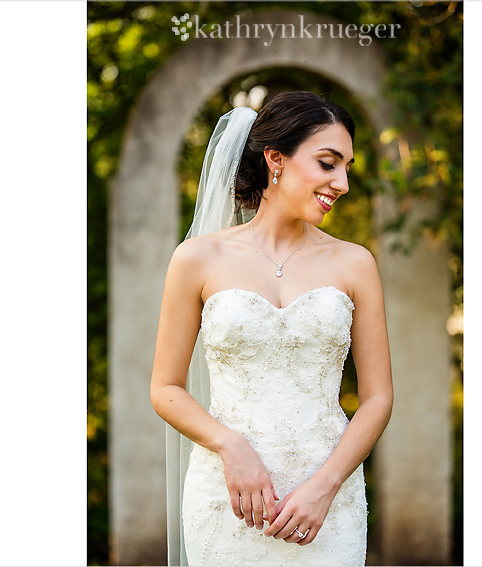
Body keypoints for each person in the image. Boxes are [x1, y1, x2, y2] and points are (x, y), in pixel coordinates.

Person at [150, 91, 393, 566]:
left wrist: (325, 487)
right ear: (275, 158)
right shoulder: (197, 259)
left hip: (328, 501)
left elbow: (379, 398)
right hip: (228, 498)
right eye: (328, 163)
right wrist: (229, 444)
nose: (342, 182)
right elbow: (164, 388)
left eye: (347, 167)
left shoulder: (355, 263)